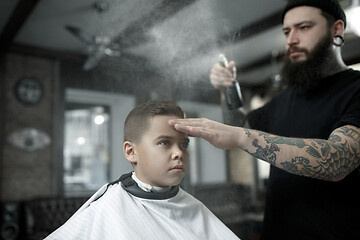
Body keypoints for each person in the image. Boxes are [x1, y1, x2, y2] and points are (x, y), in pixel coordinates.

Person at [169, 0, 360, 239]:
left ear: (336, 29)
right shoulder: (283, 101)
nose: (291, 39)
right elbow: (237, 124)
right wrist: (228, 88)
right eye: (287, 31)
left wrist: (240, 137)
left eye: (304, 27)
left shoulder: (356, 89)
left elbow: (338, 160)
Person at [45, 100, 240, 240]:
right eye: (164, 142)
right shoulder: (107, 208)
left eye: (184, 144)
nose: (178, 153)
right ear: (131, 152)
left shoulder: (194, 208)